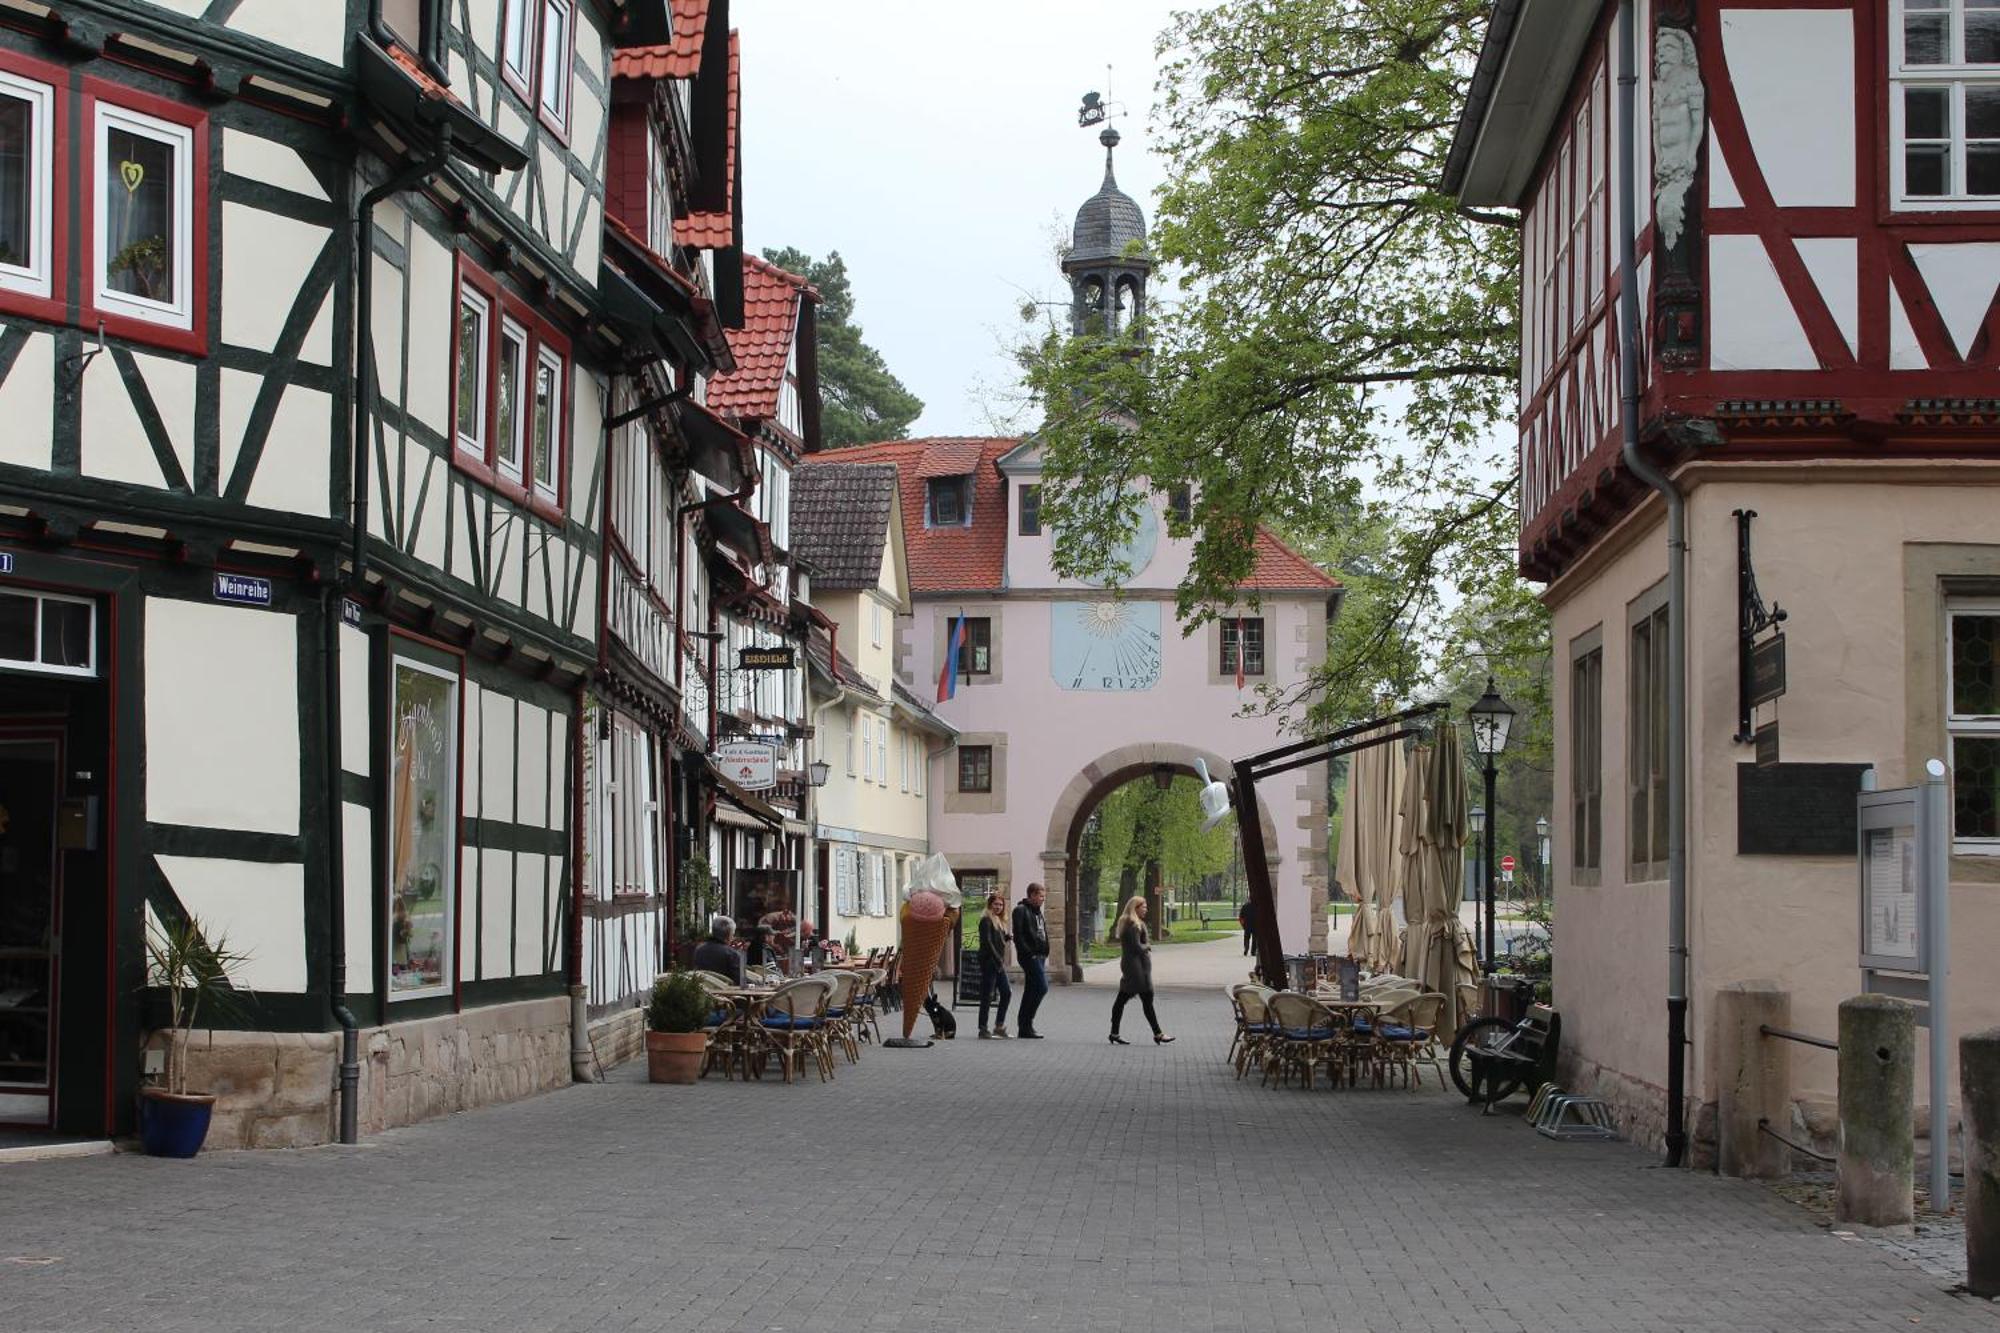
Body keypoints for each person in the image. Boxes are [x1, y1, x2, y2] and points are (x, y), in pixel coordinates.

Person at [1107, 895, 1173, 1045]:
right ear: (1135, 908)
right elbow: (1136, 947)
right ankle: (1157, 1034)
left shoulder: (1133, 923)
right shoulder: (1133, 924)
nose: (1146, 909)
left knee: (1126, 1001)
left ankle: (1115, 1033)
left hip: (1137, 967)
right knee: (1136, 1000)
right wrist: (1147, 946)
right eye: (1143, 907)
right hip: (1136, 970)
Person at [1011, 882, 1050, 1038]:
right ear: (1032, 895)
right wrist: (1029, 953)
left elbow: (1042, 932)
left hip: (1040, 956)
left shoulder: (1038, 912)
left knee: (1031, 989)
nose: (1042, 899)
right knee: (1042, 987)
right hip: (1030, 956)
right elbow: (1018, 935)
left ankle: (1025, 1027)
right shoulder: (1021, 910)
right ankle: (1026, 1022)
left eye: (1043, 896)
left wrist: (1046, 950)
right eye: (1040, 896)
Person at [976, 892, 1013, 1039]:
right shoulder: (986, 920)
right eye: (995, 904)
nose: (998, 907)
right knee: (987, 995)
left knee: (1006, 992)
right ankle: (983, 1028)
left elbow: (997, 939)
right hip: (989, 961)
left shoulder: (998, 920)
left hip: (997, 962)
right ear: (990, 905)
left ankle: (999, 1026)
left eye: (1001, 904)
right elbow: (987, 942)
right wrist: (997, 958)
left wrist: (1006, 937)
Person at [692, 914, 745, 986]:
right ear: (729, 935)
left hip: (703, 991)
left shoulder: (699, 950)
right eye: (733, 934)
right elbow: (740, 981)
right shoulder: (732, 954)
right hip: (727, 995)